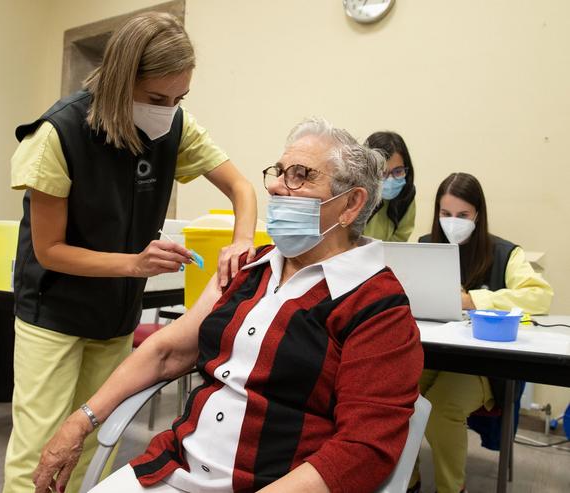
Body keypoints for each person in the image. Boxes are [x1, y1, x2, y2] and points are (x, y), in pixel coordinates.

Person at [32, 117, 424, 493]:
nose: (275, 188)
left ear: (351, 204)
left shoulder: (377, 306)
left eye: (301, 176)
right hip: (175, 469)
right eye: (278, 172)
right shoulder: (250, 268)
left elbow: (362, 449)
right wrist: (80, 422)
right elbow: (167, 351)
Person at [4, 12, 258, 493]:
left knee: (88, 441)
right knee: (38, 453)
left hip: (115, 312)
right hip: (52, 311)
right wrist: (136, 264)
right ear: (122, 81)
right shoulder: (58, 134)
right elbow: (50, 250)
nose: (169, 110)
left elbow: (242, 188)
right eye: (157, 98)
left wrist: (242, 240)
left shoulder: (173, 127)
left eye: (178, 99)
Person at [409, 172, 553, 493]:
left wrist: (473, 299)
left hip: (481, 367)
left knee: (441, 411)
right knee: (398, 398)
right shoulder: (425, 247)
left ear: (478, 215)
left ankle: (452, 488)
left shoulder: (504, 254)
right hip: (431, 353)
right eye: (445, 215)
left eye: (463, 215)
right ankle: (408, 480)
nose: (452, 222)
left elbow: (539, 297)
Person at [362, 131, 416, 241]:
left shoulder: (406, 194)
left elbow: (400, 237)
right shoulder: (353, 194)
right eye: (382, 173)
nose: (391, 179)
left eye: (398, 171)